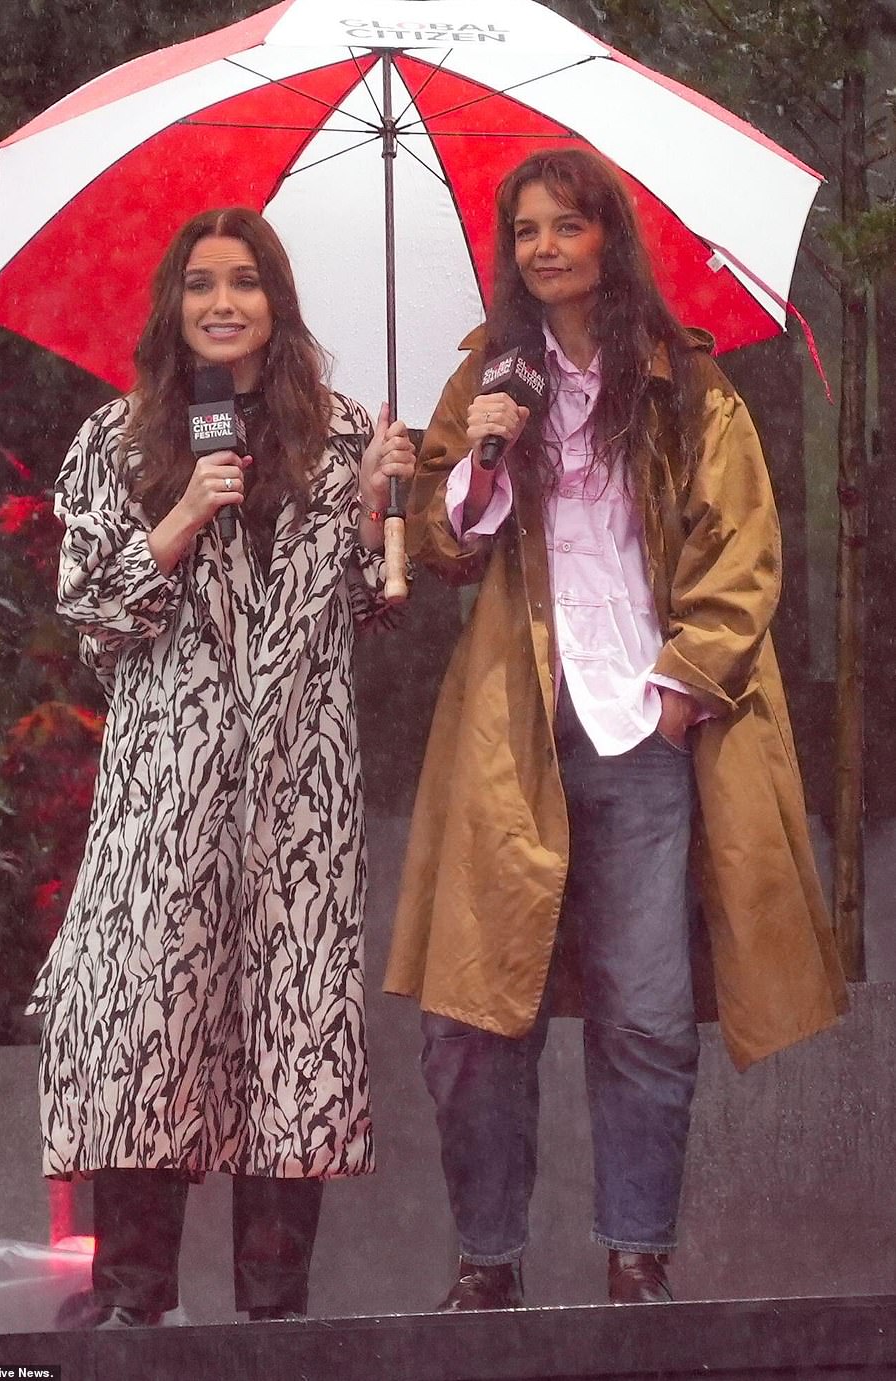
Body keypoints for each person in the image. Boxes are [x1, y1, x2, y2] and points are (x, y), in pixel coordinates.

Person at [384, 149, 847, 1310]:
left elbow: (742, 550)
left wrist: (683, 683)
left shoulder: (680, 383)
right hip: (512, 734)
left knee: (643, 1009)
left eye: (566, 226)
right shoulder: (484, 380)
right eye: (525, 230)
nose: (543, 247)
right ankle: (486, 1263)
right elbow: (445, 550)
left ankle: (635, 1253)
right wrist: (471, 456)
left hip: (642, 730)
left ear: (607, 240)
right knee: (476, 1014)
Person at [28, 206, 415, 1329]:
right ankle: (131, 1306)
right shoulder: (117, 439)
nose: (222, 303)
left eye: (244, 282)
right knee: (149, 1021)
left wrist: (382, 509)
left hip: (299, 783)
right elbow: (91, 608)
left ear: (275, 304)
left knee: (292, 1037)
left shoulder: (341, 434)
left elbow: (368, 609)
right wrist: (187, 511)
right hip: (167, 786)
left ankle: (274, 1323)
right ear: (174, 305)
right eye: (200, 283)